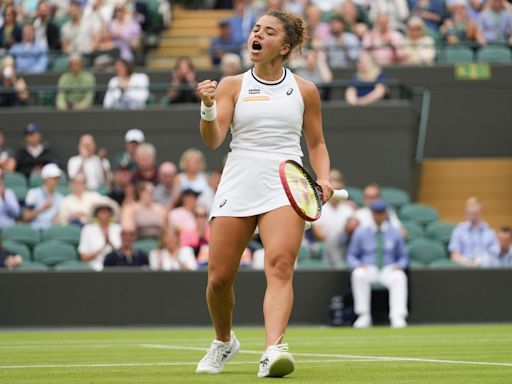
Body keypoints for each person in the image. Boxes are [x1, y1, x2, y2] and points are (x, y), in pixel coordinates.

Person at [195, 9, 333, 377]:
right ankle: (224, 342)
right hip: (238, 179)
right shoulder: (232, 85)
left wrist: (324, 177)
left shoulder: (305, 90)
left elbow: (316, 143)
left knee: (281, 266)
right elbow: (213, 140)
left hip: (285, 184)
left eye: (268, 32)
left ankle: (274, 349)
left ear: (284, 46)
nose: (257, 35)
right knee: (219, 278)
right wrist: (208, 108)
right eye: (256, 29)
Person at [347, 199, 409, 328]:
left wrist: (400, 266)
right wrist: (357, 264)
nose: (378, 216)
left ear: (386, 213)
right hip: (368, 268)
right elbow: (352, 255)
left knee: (400, 277)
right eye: (376, 213)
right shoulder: (361, 232)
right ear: (372, 214)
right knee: (358, 274)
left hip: (388, 268)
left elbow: (403, 256)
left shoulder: (395, 232)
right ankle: (363, 315)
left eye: (381, 213)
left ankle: (397, 316)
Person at [310, 169, 355, 268]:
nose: (335, 185)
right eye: (331, 182)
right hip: (325, 248)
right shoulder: (318, 208)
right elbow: (319, 235)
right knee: (331, 243)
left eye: (338, 182)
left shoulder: (349, 209)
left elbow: (352, 234)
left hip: (345, 247)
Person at [449, 197, 499, 267]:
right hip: (465, 266)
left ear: (482, 212)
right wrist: (469, 263)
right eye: (471, 213)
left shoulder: (490, 231)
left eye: (476, 213)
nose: (474, 216)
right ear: (466, 212)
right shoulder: (459, 231)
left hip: (486, 267)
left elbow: (495, 252)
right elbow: (454, 256)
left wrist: (484, 261)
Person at [79, 196, 121, 271]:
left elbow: (123, 253)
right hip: (94, 268)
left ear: (111, 213)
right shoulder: (88, 229)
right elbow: (84, 257)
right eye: (101, 211)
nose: (104, 214)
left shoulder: (118, 228)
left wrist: (111, 244)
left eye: (107, 211)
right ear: (96, 213)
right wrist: (101, 248)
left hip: (116, 267)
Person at [22, 163, 64, 230]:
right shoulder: (33, 193)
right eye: (54, 178)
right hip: (36, 230)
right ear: (46, 178)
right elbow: (26, 217)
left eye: (58, 178)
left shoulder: (60, 197)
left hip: (52, 231)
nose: (57, 181)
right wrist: (42, 209)